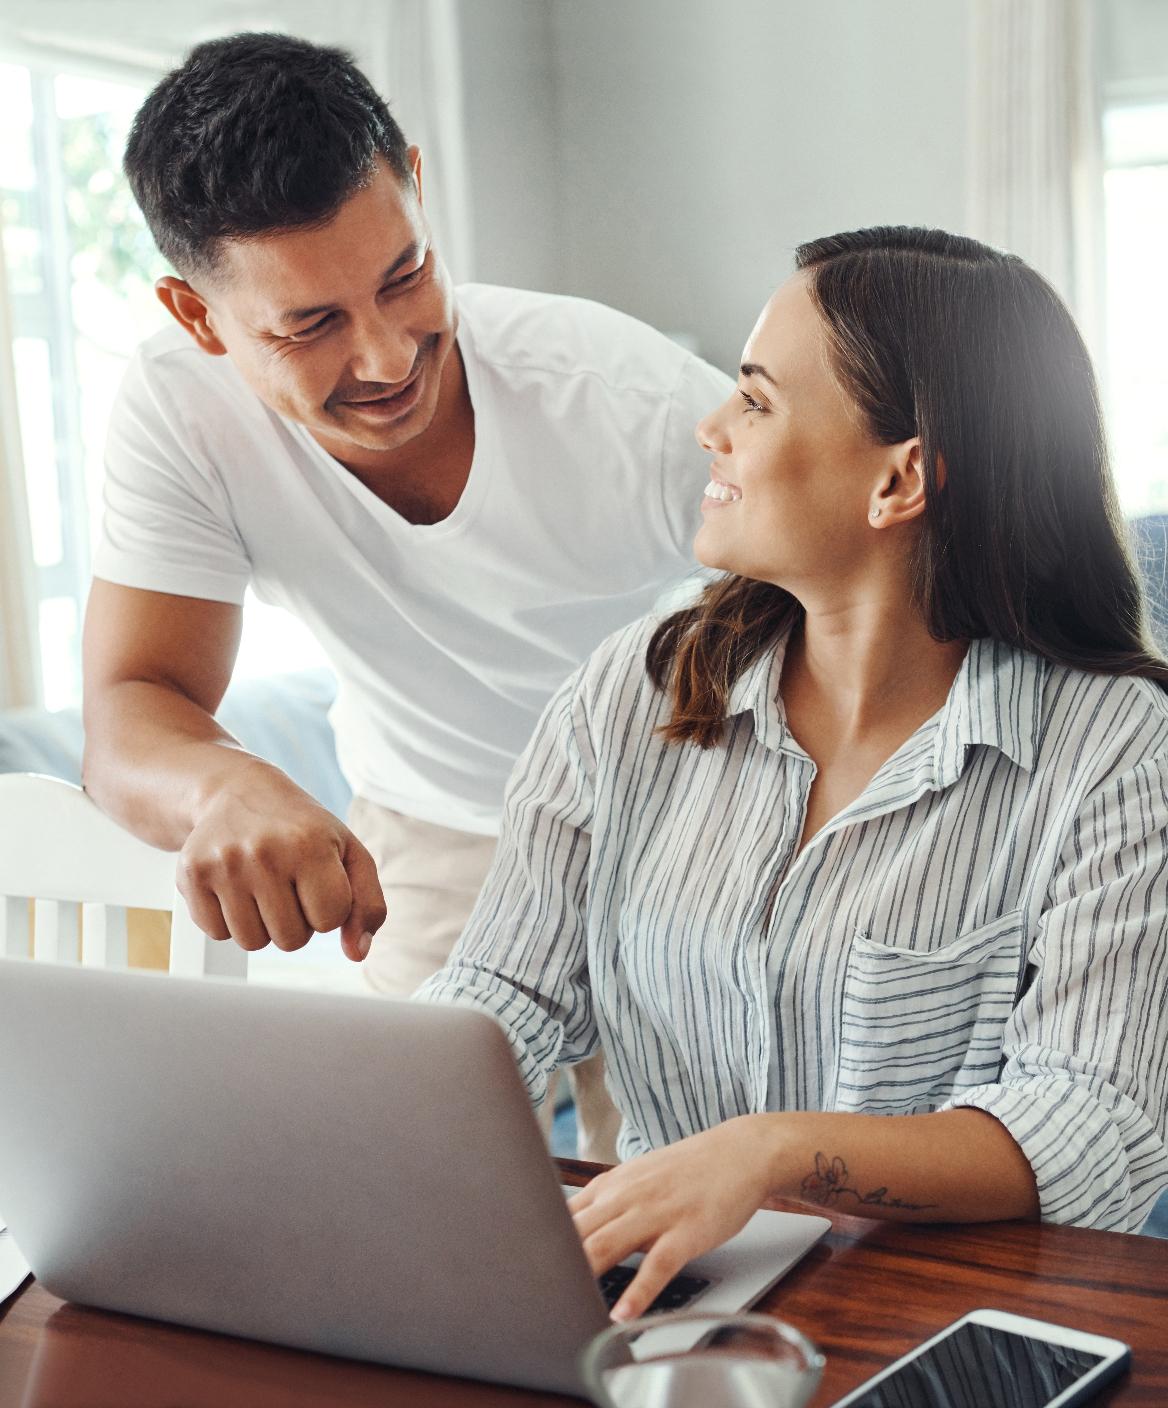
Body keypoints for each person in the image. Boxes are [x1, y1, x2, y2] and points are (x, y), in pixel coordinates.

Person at [417, 226, 1168, 1319]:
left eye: (757, 401)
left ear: (900, 477)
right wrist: (368, 1106)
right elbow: (506, 988)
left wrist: (772, 1155)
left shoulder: (1112, 749)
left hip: (953, 1326)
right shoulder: (641, 682)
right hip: (667, 1311)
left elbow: (1092, 1122)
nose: (709, 427)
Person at [80, 32, 731, 1164]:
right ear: (197, 318)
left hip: (678, 837)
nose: (388, 357)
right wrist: (225, 786)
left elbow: (862, 593)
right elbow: (133, 703)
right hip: (429, 836)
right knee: (420, 1200)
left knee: (715, 1215)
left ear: (416, 189)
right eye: (310, 324)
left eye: (404, 276)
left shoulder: (616, 391)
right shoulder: (178, 411)